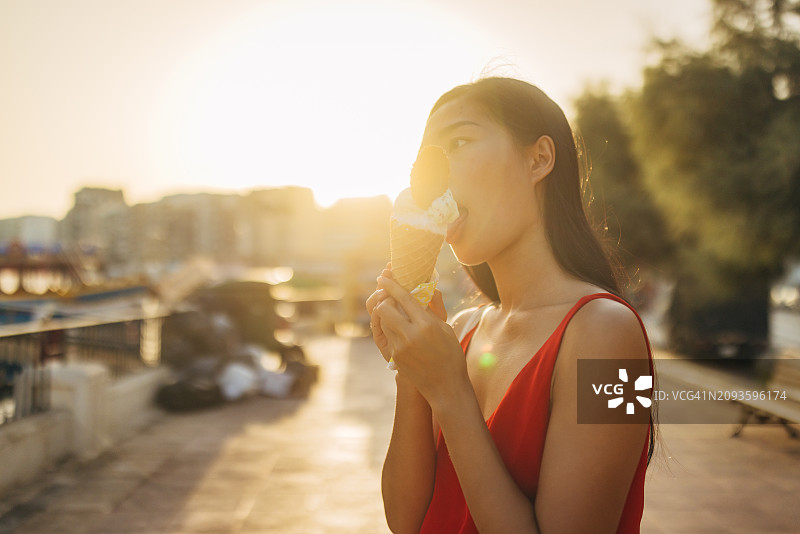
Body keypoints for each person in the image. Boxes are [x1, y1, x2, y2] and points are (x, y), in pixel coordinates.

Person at [366, 77, 656, 534]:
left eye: (458, 143)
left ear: (539, 159)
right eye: (427, 157)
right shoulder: (460, 328)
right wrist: (412, 371)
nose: (432, 177)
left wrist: (450, 391)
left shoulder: (613, 336)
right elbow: (406, 523)